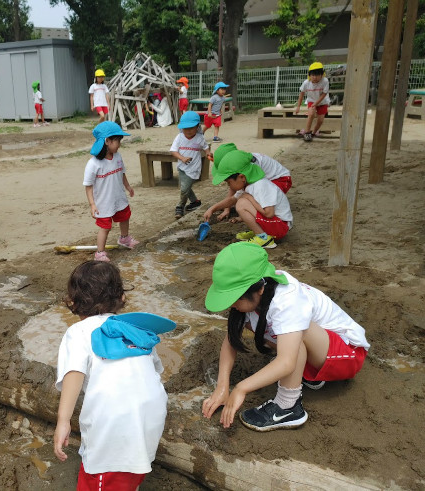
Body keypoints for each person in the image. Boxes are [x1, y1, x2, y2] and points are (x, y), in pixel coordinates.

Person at [201, 242, 370, 432]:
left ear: (259, 289)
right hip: (321, 348)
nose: (231, 305)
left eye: (235, 298)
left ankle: (288, 407)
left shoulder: (287, 300)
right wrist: (222, 387)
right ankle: (308, 373)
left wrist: (241, 388)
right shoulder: (258, 292)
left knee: (295, 333)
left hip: (348, 354)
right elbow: (231, 341)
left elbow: (287, 361)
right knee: (275, 330)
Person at [54, 260, 175, 488]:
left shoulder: (78, 332)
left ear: (73, 301)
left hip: (113, 427)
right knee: (129, 472)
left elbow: (74, 373)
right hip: (150, 418)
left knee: (101, 476)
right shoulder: (135, 328)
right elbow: (155, 371)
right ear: (121, 298)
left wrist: (63, 421)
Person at [204, 150, 293, 249]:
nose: (229, 186)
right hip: (275, 224)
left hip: (280, 227)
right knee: (241, 200)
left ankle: (263, 238)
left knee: (242, 203)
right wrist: (212, 209)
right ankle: (260, 232)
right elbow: (232, 199)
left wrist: (249, 198)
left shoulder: (261, 185)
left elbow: (269, 213)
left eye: (229, 182)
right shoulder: (249, 184)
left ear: (241, 177)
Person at [84, 121, 139, 262]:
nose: (119, 144)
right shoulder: (93, 164)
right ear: (107, 141)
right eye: (117, 141)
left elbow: (122, 173)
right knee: (105, 227)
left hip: (118, 196)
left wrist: (128, 186)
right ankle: (100, 253)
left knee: (125, 216)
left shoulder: (118, 157)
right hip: (103, 201)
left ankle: (124, 238)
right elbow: (88, 186)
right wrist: (92, 204)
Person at [205, 142, 292, 222]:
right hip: (269, 180)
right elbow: (234, 190)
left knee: (250, 195)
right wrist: (226, 208)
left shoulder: (251, 168)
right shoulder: (242, 167)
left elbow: (238, 192)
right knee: (245, 195)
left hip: (281, 179)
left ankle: (262, 219)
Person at [170, 111, 210, 219]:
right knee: (185, 187)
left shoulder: (199, 138)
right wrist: (182, 158)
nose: (188, 130)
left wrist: (208, 154)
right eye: (185, 128)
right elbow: (173, 151)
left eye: (191, 128)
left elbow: (205, 147)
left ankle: (180, 206)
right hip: (182, 167)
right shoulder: (179, 137)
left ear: (197, 127)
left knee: (184, 189)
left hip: (193, 168)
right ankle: (195, 202)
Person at [295, 62, 330, 142]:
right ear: (309, 75)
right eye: (313, 75)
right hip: (311, 100)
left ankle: (313, 133)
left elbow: (324, 94)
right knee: (311, 114)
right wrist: (298, 107)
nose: (315, 77)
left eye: (317, 75)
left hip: (323, 102)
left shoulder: (325, 81)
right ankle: (307, 133)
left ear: (322, 75)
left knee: (320, 120)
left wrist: (316, 103)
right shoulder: (306, 83)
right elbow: (301, 94)